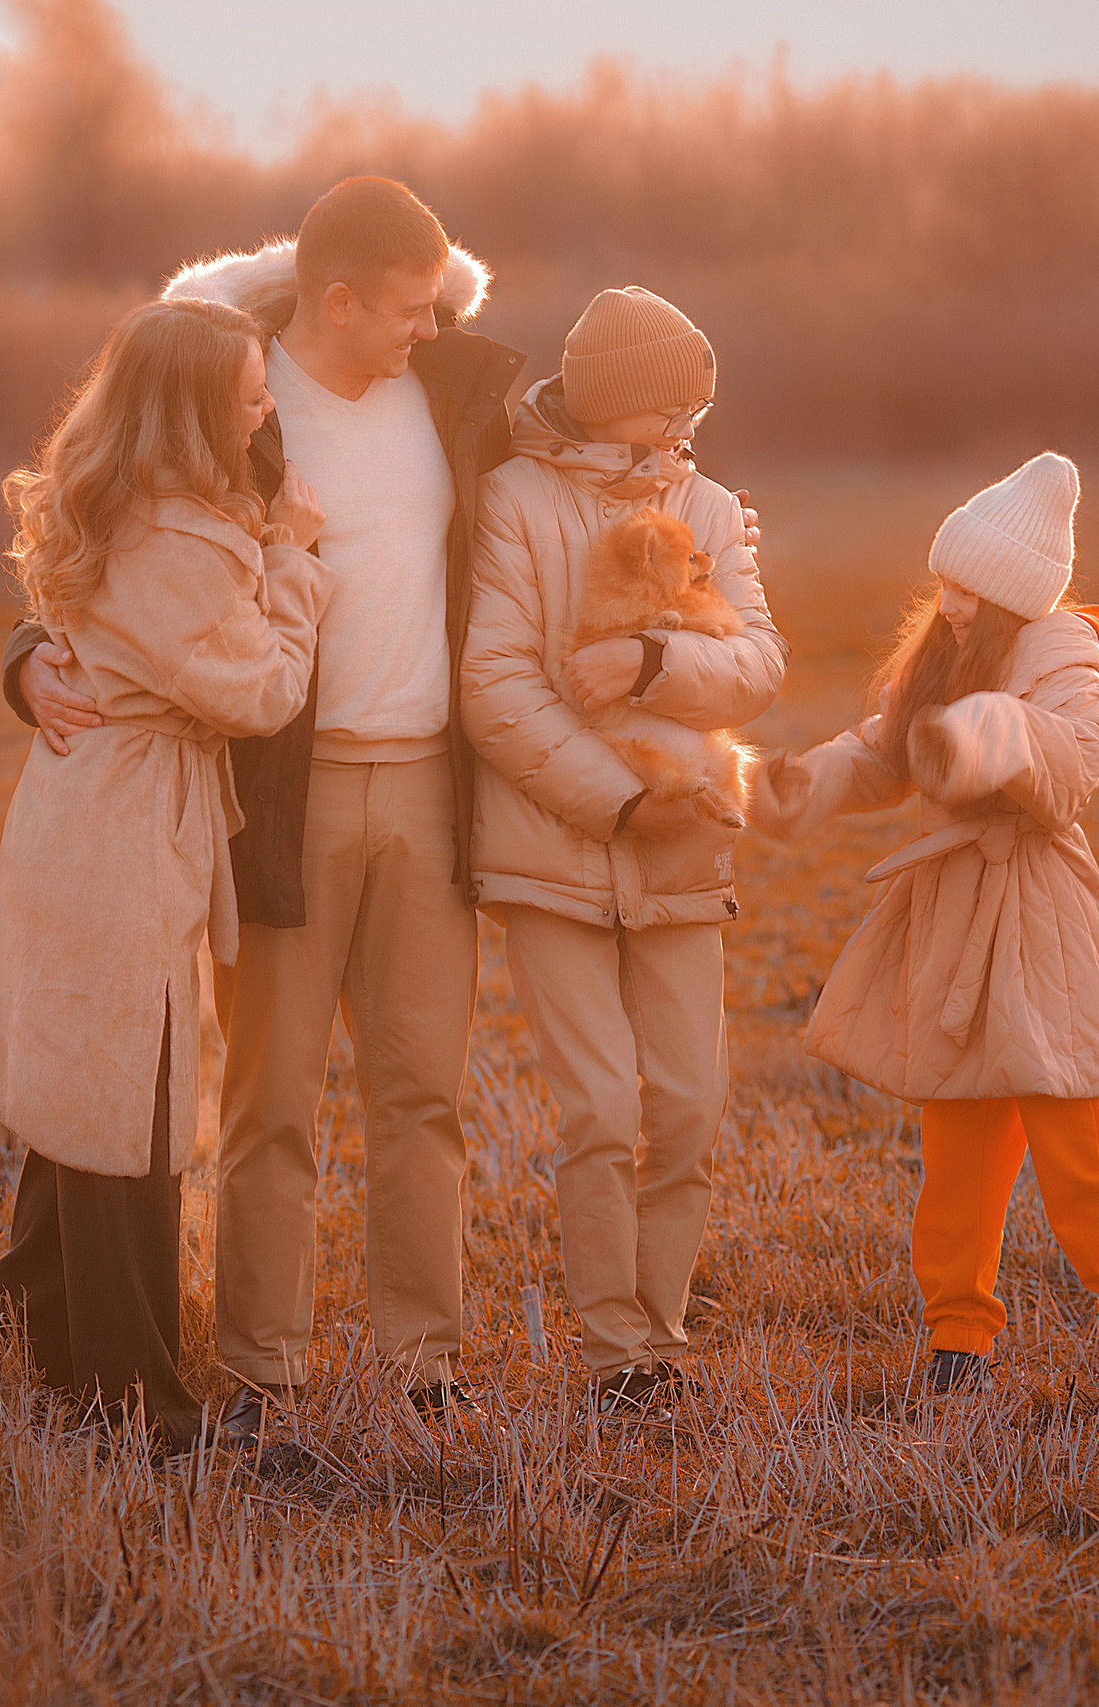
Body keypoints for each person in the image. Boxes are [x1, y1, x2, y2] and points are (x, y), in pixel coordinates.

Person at [0, 178, 526, 1449]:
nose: (429, 325)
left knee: (423, 1094)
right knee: (267, 1101)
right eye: (406, 307)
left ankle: (423, 1361)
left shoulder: (459, 399)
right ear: (333, 300)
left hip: (425, 787)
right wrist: (22, 653)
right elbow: (99, 528)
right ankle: (262, 1364)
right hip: (273, 798)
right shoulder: (229, 392)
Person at [751, 452, 1099, 1394]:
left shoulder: (1063, 655)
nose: (949, 600)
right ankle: (957, 1346)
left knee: (1075, 1152)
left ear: (1012, 595)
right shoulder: (941, 652)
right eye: (945, 579)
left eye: (968, 587)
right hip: (953, 927)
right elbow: (885, 754)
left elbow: (1076, 757)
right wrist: (805, 785)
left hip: (1037, 922)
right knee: (956, 1157)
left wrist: (992, 734)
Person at [0, 296, 333, 1455]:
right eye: (249, 396)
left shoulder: (116, 499)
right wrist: (292, 563)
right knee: (127, 1117)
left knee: (85, 1098)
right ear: (190, 409)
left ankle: (10, 1343)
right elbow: (262, 693)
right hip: (121, 834)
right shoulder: (181, 543)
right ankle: (134, 1403)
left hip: (81, 824)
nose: (267, 409)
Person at [462, 288, 787, 1419]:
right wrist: (612, 800)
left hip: (686, 849)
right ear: (619, 405)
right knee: (599, 1108)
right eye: (673, 408)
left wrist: (652, 662)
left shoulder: (705, 502)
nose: (690, 429)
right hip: (549, 849)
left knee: (691, 1102)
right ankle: (618, 1357)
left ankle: (661, 1326)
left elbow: (757, 662)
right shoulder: (511, 499)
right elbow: (492, 686)